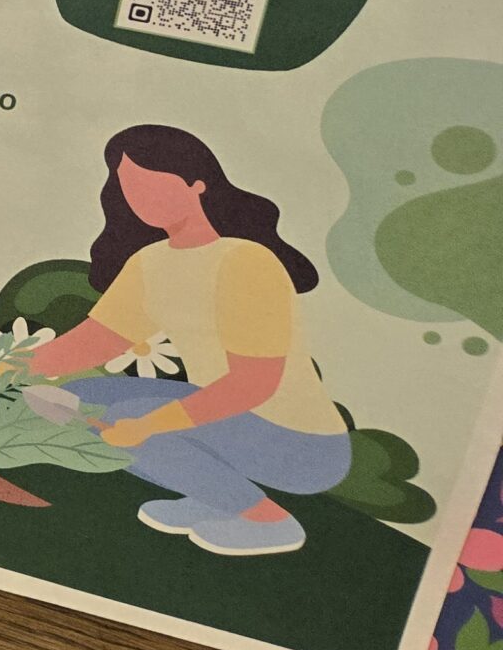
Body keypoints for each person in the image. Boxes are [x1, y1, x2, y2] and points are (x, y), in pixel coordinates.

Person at [28, 124, 350, 557]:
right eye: (129, 187)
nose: (139, 197)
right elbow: (94, 342)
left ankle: (268, 520)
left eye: (149, 181)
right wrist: (1, 371)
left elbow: (252, 385)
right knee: (73, 397)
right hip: (224, 414)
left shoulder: (246, 261)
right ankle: (213, 492)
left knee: (133, 424)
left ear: (197, 183)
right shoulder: (151, 261)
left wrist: (148, 425)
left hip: (301, 443)